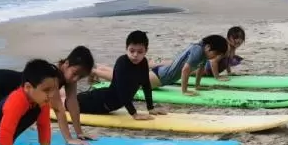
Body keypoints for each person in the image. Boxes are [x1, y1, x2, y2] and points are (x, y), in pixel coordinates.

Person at [0, 46, 96, 145]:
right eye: (75, 73)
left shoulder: (69, 78)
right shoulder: (52, 76)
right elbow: (60, 109)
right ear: (66, 64)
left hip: (12, 93)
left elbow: (72, 103)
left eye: (80, 77)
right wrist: (68, 139)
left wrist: (79, 132)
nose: (75, 79)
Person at [95, 35, 229, 95]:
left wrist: (198, 86)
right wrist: (184, 91)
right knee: (124, 81)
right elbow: (186, 70)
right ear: (209, 47)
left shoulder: (202, 52)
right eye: (215, 54)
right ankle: (95, 71)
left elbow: (200, 70)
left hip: (161, 74)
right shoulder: (198, 51)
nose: (214, 58)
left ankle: (100, 67)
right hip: (160, 77)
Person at [77, 31, 166, 119]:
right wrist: (134, 114)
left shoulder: (143, 62)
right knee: (69, 104)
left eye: (140, 52)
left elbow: (146, 85)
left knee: (70, 99)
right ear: (126, 48)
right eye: (132, 51)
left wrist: (150, 108)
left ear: (146, 51)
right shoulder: (122, 63)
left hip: (109, 103)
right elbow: (122, 91)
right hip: (101, 102)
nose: (135, 55)